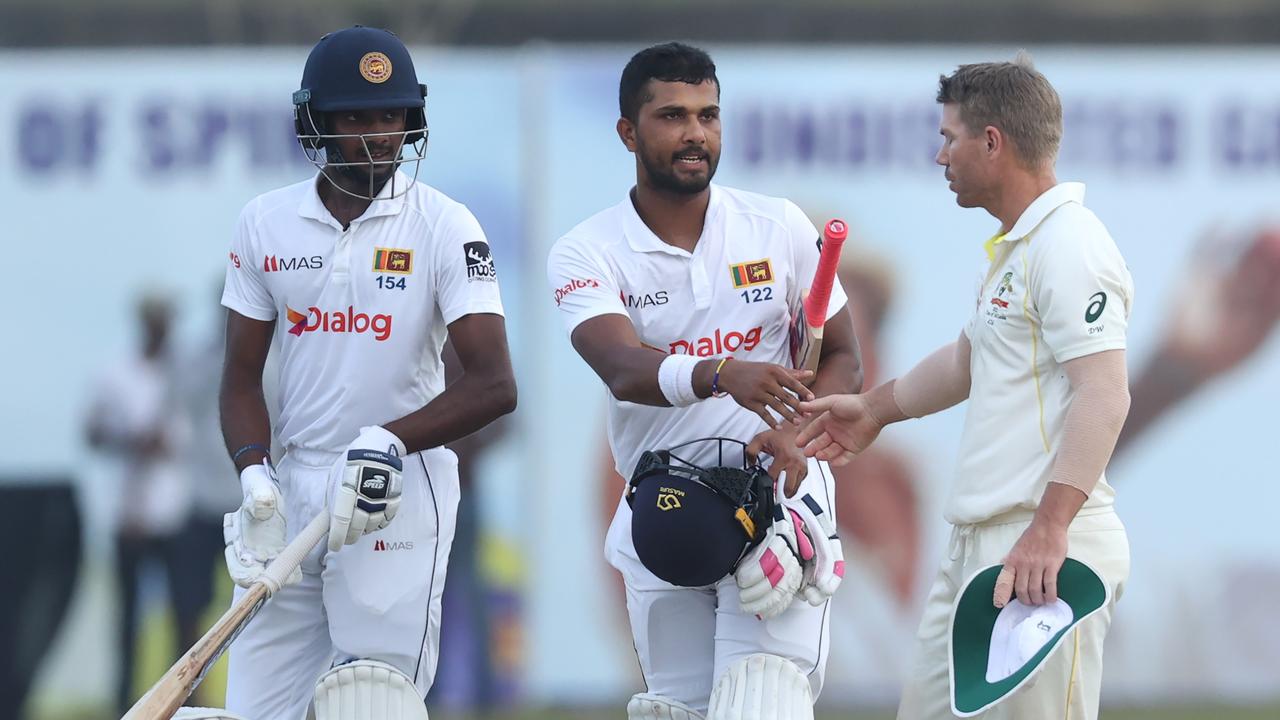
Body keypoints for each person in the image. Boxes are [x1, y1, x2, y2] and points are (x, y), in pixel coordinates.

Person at [798, 55, 1133, 720]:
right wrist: (872, 410)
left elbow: (1106, 393)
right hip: (982, 548)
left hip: (1039, 550)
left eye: (949, 138)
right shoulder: (1017, 247)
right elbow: (965, 362)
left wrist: (1049, 527)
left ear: (992, 142)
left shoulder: (1070, 244)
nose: (939, 154)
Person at [547, 42, 861, 719]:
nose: (695, 133)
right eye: (672, 116)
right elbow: (621, 368)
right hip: (666, 503)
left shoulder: (776, 224)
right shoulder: (587, 249)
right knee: (677, 711)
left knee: (762, 701)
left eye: (709, 115)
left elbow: (843, 357)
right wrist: (721, 373)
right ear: (628, 131)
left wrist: (799, 438)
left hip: (779, 492)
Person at [218, 25, 516, 720]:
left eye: (392, 116)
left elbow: (495, 384)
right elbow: (239, 379)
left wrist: (387, 439)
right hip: (294, 488)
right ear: (314, 122)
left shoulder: (445, 225)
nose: (379, 135)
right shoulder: (264, 224)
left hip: (399, 485)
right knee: (255, 712)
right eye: (356, 117)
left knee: (373, 704)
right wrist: (255, 478)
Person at [84, 292, 195, 714]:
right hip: (129, 514)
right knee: (128, 618)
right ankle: (125, 702)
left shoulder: (187, 372)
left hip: (177, 509)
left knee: (185, 613)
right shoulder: (115, 372)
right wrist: (132, 442)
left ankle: (185, 699)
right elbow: (91, 430)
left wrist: (169, 446)